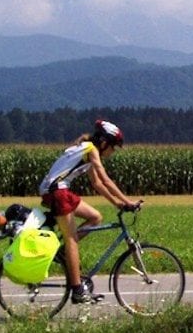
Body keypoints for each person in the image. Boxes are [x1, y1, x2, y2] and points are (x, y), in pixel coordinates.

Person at [38, 119, 141, 304]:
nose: (113, 152)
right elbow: (106, 179)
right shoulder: (91, 150)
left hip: (61, 191)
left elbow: (98, 184)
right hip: (57, 191)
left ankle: (64, 254)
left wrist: (118, 205)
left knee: (95, 217)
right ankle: (77, 290)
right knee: (72, 239)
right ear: (103, 143)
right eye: (113, 147)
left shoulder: (87, 150)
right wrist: (128, 202)